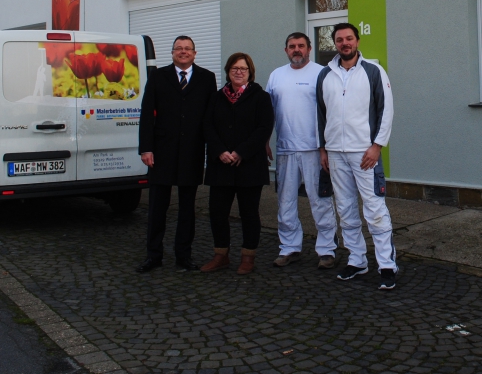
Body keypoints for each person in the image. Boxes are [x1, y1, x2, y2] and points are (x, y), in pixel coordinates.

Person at [317, 22, 397, 290]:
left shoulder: (373, 71)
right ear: (335, 44)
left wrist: (377, 146)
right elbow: (321, 115)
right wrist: (323, 148)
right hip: (336, 154)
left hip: (365, 154)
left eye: (349, 38)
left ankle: (387, 265)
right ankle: (357, 260)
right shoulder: (325, 75)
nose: (344, 43)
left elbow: (386, 110)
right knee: (346, 210)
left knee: (375, 209)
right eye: (339, 40)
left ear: (357, 41)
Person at [136, 36, 217, 273]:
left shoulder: (206, 78)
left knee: (187, 208)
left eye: (187, 49)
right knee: (157, 207)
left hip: (192, 152)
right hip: (161, 152)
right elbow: (147, 115)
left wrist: (212, 150)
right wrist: (146, 148)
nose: (183, 52)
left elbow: (210, 117)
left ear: (195, 53)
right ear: (172, 53)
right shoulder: (158, 77)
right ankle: (154, 255)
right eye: (178, 49)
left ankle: (183, 254)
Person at [265, 32, 338, 269]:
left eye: (301, 46)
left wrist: (326, 147)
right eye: (291, 46)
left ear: (309, 48)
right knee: (285, 202)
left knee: (320, 201)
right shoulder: (276, 75)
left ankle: (327, 250)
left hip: (314, 150)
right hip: (285, 149)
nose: (296, 50)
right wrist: (265, 140)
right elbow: (267, 113)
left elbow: (331, 112)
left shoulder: (321, 73)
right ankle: (289, 248)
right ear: (285, 50)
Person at [200, 52, 274, 275]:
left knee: (249, 213)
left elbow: (264, 128)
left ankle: (248, 257)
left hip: (249, 165)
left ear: (250, 72)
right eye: (234, 69)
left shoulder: (261, 97)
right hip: (220, 164)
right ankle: (220, 255)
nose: (239, 72)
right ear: (228, 72)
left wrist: (241, 152)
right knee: (217, 212)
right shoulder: (216, 97)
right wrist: (220, 151)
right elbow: (207, 126)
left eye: (243, 69)